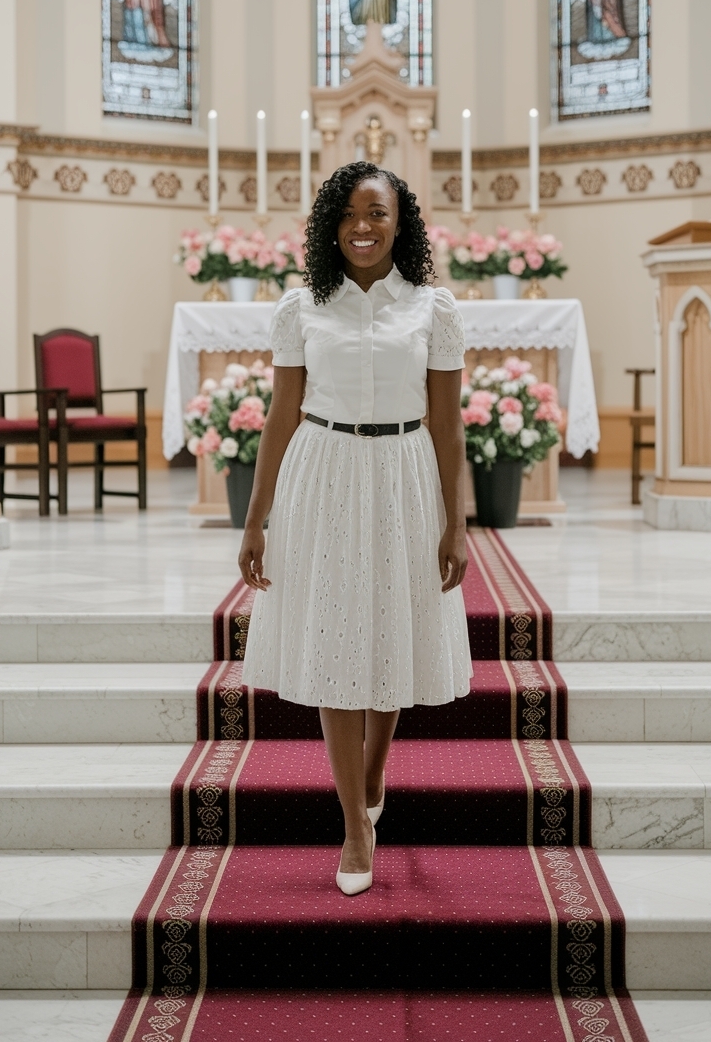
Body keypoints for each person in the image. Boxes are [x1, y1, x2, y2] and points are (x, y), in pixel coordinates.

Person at [238, 162, 471, 896]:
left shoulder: (433, 309)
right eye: (348, 213)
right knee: (339, 640)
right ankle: (354, 824)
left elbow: (447, 422)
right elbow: (280, 416)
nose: (362, 227)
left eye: (377, 213)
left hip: (403, 474)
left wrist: (456, 523)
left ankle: (374, 771)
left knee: (388, 630)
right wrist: (256, 517)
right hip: (324, 470)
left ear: (401, 223)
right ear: (330, 223)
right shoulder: (301, 306)